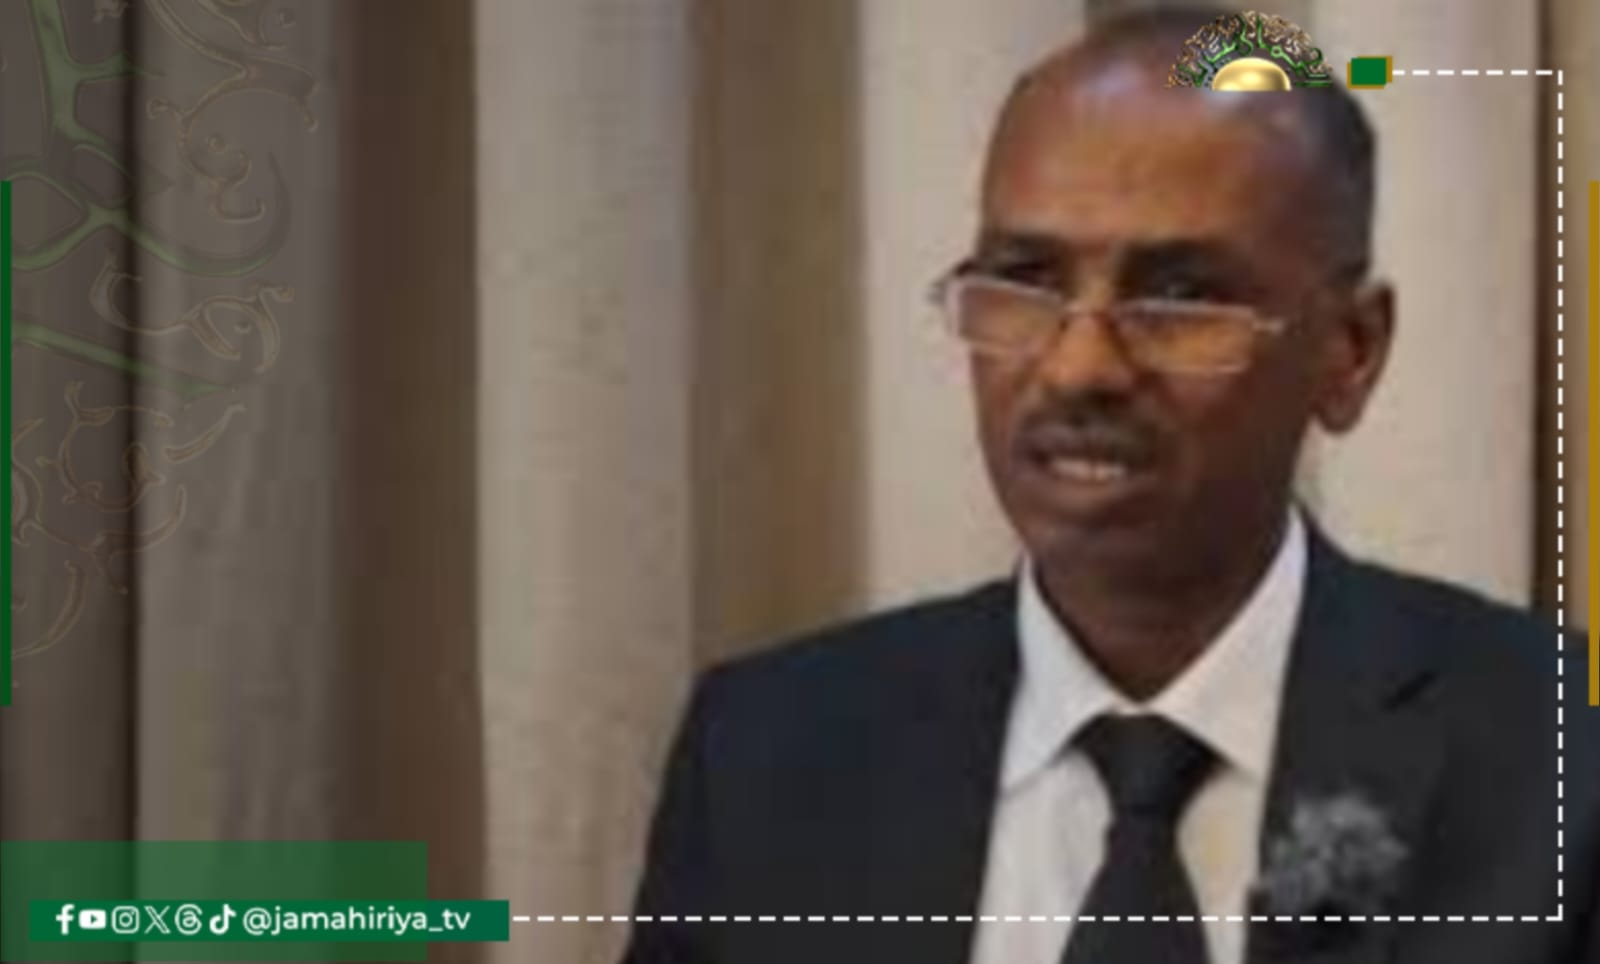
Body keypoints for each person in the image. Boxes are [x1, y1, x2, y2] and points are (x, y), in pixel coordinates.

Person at [618, 9, 1598, 964]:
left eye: (1179, 293)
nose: (1078, 366)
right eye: (1025, 277)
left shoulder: (1558, 753)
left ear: (1349, 352)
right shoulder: (767, 753)